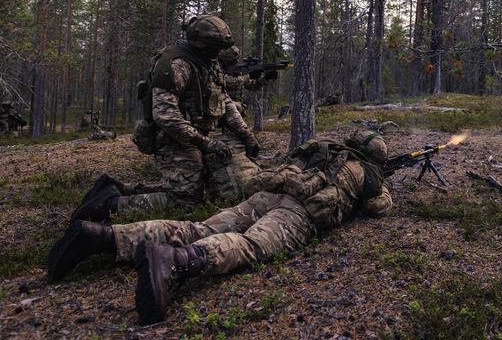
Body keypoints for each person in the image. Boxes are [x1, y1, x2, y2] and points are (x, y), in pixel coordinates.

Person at [47, 131, 393, 324]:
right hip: (297, 212)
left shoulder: (320, 146)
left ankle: (103, 236)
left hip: (263, 195)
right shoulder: (368, 172)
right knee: (252, 245)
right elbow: (378, 208)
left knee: (198, 226)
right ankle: (179, 262)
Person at [71, 15, 262, 222]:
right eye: (214, 47)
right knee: (184, 201)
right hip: (171, 139)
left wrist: (246, 135)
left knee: (191, 188)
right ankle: (110, 204)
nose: (218, 52)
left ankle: (119, 189)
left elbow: (225, 101)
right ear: (201, 43)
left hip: (193, 136)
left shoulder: (208, 63)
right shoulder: (176, 65)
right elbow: (165, 116)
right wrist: (205, 143)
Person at [218, 45, 278, 117]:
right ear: (226, 60)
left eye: (237, 59)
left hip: (236, 109)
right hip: (224, 107)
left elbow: (252, 86)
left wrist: (266, 78)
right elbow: (230, 82)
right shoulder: (219, 70)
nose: (236, 62)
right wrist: (249, 76)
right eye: (233, 60)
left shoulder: (237, 72)